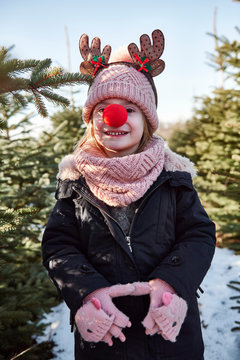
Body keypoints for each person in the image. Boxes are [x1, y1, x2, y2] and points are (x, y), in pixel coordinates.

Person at [42, 29, 216, 360]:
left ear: (148, 120)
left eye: (129, 109)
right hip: (106, 337)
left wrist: (171, 284)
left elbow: (199, 234)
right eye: (102, 108)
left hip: (171, 335)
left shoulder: (173, 178)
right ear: (92, 121)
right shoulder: (75, 183)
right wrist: (87, 292)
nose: (114, 116)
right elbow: (58, 247)